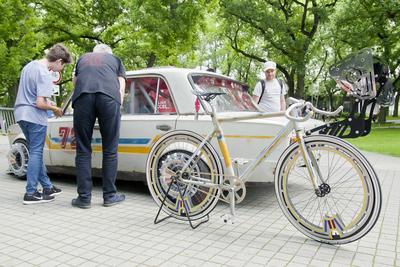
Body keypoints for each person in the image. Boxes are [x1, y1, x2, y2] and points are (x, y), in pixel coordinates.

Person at [14, 43, 72, 204]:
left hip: (21, 114)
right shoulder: (45, 74)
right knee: (36, 153)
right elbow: (40, 103)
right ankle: (31, 192)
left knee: (34, 152)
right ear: (59, 61)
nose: (60, 70)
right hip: (35, 117)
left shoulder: (29, 66)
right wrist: (55, 109)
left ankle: (47, 186)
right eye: (63, 66)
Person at [71, 43, 126, 209]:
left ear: (94, 53)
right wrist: (118, 104)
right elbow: (121, 85)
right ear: (108, 54)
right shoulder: (115, 60)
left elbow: (75, 82)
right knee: (110, 148)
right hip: (109, 97)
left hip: (82, 97)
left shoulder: (82, 59)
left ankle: (84, 198)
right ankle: (109, 195)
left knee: (83, 149)